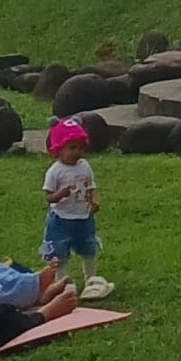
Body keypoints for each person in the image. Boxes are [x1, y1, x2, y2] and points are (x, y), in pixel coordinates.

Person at [42, 120, 113, 300]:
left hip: (83, 217)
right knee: (60, 251)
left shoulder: (85, 166)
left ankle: (91, 280)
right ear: (58, 149)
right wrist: (60, 194)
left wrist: (93, 201)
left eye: (80, 148)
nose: (77, 152)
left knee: (88, 247)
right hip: (61, 218)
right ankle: (62, 282)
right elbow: (48, 197)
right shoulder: (55, 171)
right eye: (72, 148)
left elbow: (89, 187)